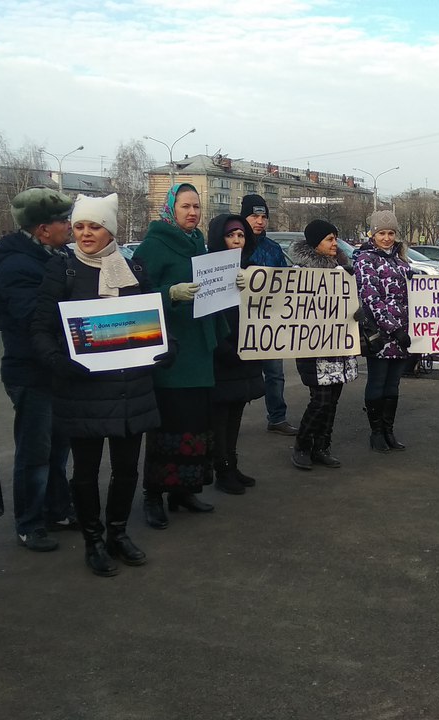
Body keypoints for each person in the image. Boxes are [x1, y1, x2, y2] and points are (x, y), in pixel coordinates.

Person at [31, 193, 162, 576]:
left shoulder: (133, 268)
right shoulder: (63, 269)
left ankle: (118, 533)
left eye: (95, 226)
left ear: (111, 230)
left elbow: (154, 318)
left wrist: (164, 348)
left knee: (126, 469)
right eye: (79, 226)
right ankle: (93, 539)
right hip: (83, 388)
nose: (85, 233)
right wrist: (58, 361)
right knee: (86, 471)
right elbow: (39, 328)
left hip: (129, 387)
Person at [134, 183, 225, 527]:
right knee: (169, 425)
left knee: (196, 424)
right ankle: (153, 494)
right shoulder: (153, 245)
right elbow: (137, 296)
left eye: (197, 207)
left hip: (199, 348)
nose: (193, 213)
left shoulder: (197, 242)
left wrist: (232, 284)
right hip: (172, 352)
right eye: (186, 206)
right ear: (171, 207)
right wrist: (169, 293)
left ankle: (184, 491)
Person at [0, 187, 77, 552]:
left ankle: (57, 509)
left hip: (56, 370)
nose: (70, 227)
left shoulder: (54, 256)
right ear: (43, 229)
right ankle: (29, 522)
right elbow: (34, 319)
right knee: (35, 452)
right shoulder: (18, 266)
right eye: (64, 221)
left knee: (58, 447)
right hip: (31, 371)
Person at [288, 220, 358, 470]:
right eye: (329, 239)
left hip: (338, 346)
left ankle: (322, 446)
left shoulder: (341, 270)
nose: (334, 244)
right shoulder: (299, 273)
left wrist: (355, 310)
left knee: (333, 400)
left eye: (335, 238)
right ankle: (302, 445)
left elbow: (348, 306)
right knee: (320, 400)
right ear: (315, 243)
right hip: (313, 349)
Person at [207, 214, 264, 494]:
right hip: (224, 355)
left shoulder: (252, 270)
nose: (237, 241)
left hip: (246, 352)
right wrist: (225, 347)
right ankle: (223, 470)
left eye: (241, 236)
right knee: (220, 418)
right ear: (220, 238)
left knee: (236, 414)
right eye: (231, 235)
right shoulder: (210, 271)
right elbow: (209, 315)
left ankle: (233, 464)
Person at [353, 210, 412, 453]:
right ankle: (376, 432)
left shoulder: (400, 261)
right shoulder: (366, 259)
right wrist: (394, 329)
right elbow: (370, 298)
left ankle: (388, 430)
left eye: (390, 233)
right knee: (377, 383)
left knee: (393, 386)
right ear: (372, 234)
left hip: (403, 335)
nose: (386, 238)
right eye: (381, 233)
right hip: (379, 334)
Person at [240, 194, 297, 436]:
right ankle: (230, 420)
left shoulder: (273, 249)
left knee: (275, 373)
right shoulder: (234, 244)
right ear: (244, 217)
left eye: (264, 217)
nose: (260, 221)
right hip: (241, 322)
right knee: (238, 376)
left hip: (270, 322)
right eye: (254, 216)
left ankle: (277, 417)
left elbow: (286, 283)